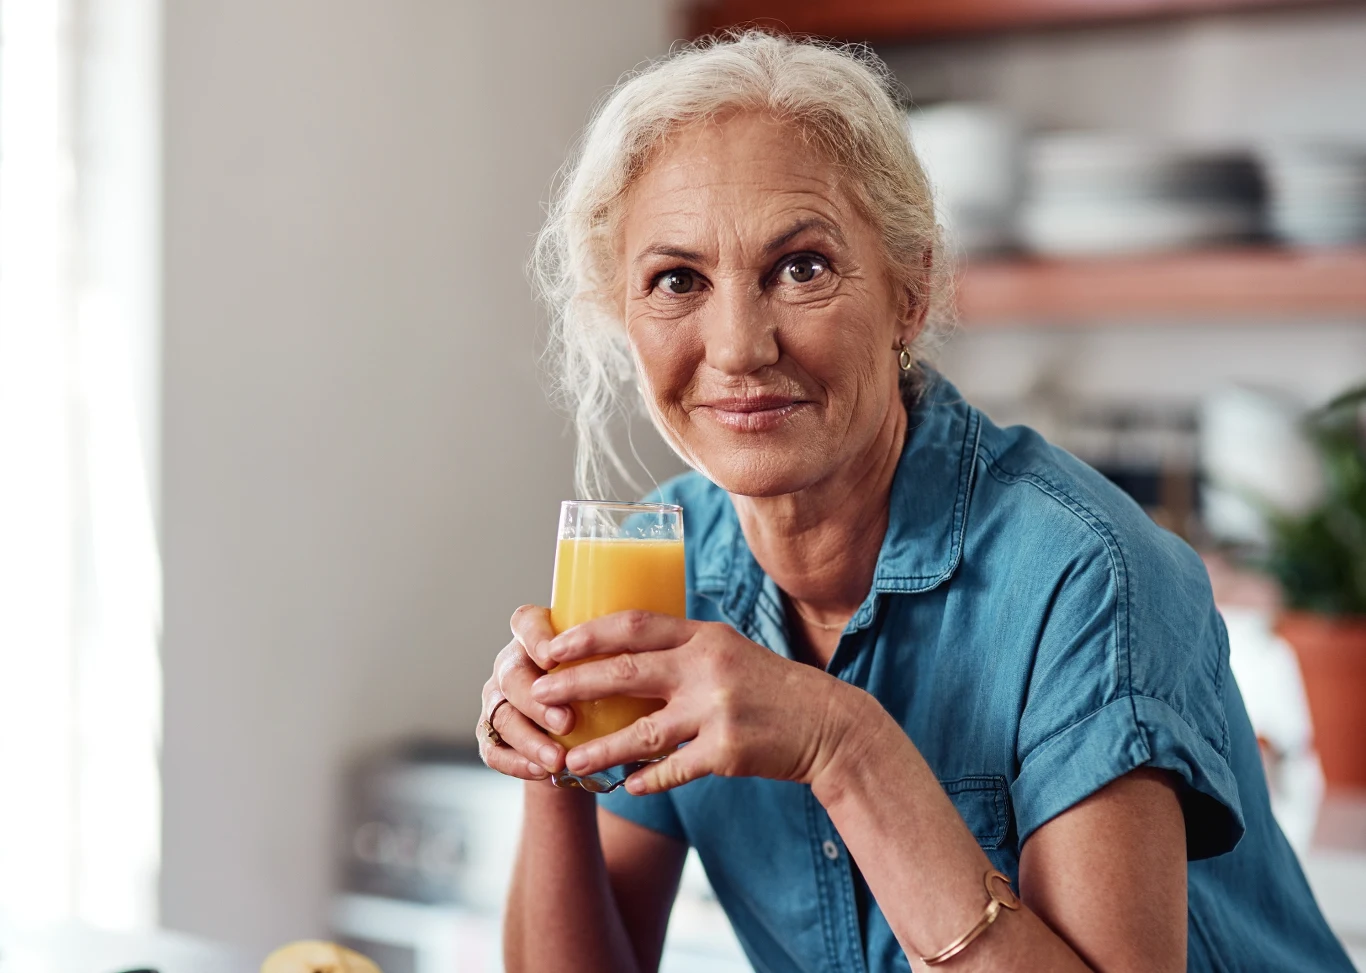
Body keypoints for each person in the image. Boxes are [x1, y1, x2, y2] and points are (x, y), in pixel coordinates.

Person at [475, 31, 1353, 973]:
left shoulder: (1087, 576)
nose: (736, 345)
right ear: (622, 315)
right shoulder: (671, 562)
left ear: (911, 287)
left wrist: (839, 741)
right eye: (677, 280)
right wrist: (555, 763)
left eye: (801, 268)